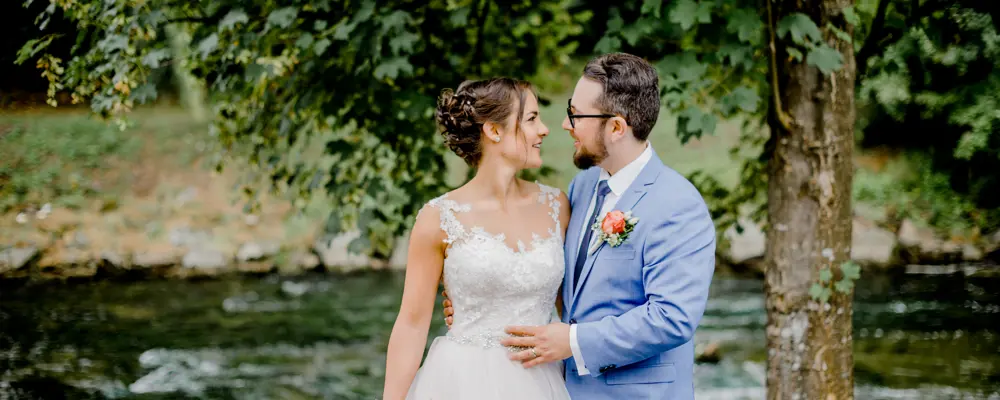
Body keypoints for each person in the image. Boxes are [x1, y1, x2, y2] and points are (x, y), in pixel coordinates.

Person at [442, 53, 717, 399]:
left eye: (576, 114)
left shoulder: (677, 205)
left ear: (616, 127)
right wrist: (482, 294)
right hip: (562, 388)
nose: (564, 124)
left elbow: (671, 317)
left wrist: (573, 341)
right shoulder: (583, 187)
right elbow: (558, 280)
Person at [382, 77, 573, 400]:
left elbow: (569, 307)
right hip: (461, 381)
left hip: (543, 380)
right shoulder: (438, 218)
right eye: (531, 119)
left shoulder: (557, 206)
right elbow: (412, 324)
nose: (544, 129)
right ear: (493, 131)